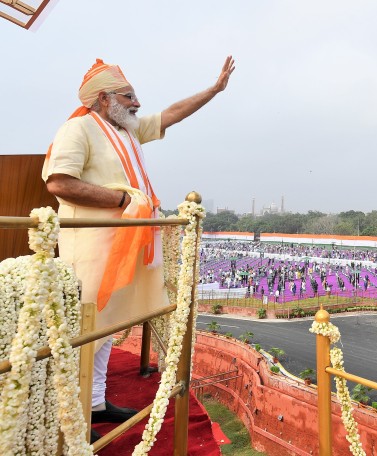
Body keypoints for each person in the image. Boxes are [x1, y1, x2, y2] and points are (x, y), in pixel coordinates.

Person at [42, 57, 235, 432]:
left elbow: (171, 114)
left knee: (108, 326)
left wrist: (213, 90)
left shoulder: (128, 132)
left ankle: (94, 403)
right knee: (87, 329)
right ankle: (69, 415)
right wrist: (123, 202)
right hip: (92, 248)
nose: (137, 104)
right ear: (103, 99)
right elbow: (59, 183)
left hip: (127, 245)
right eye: (129, 96)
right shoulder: (78, 129)